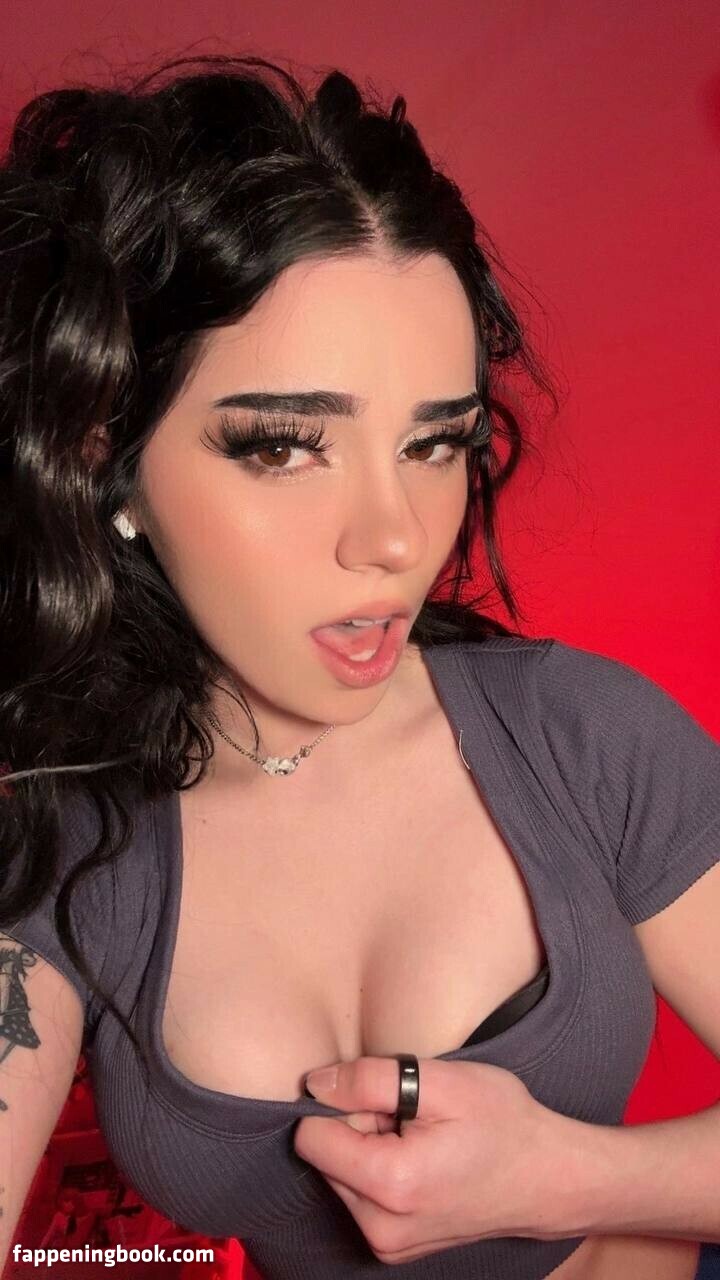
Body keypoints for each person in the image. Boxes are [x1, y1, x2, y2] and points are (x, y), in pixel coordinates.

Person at [0, 53, 718, 1280]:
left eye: (434, 442)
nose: (394, 537)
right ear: (105, 454)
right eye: (285, 446)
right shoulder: (63, 843)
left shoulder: (585, 739)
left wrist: (573, 1175)